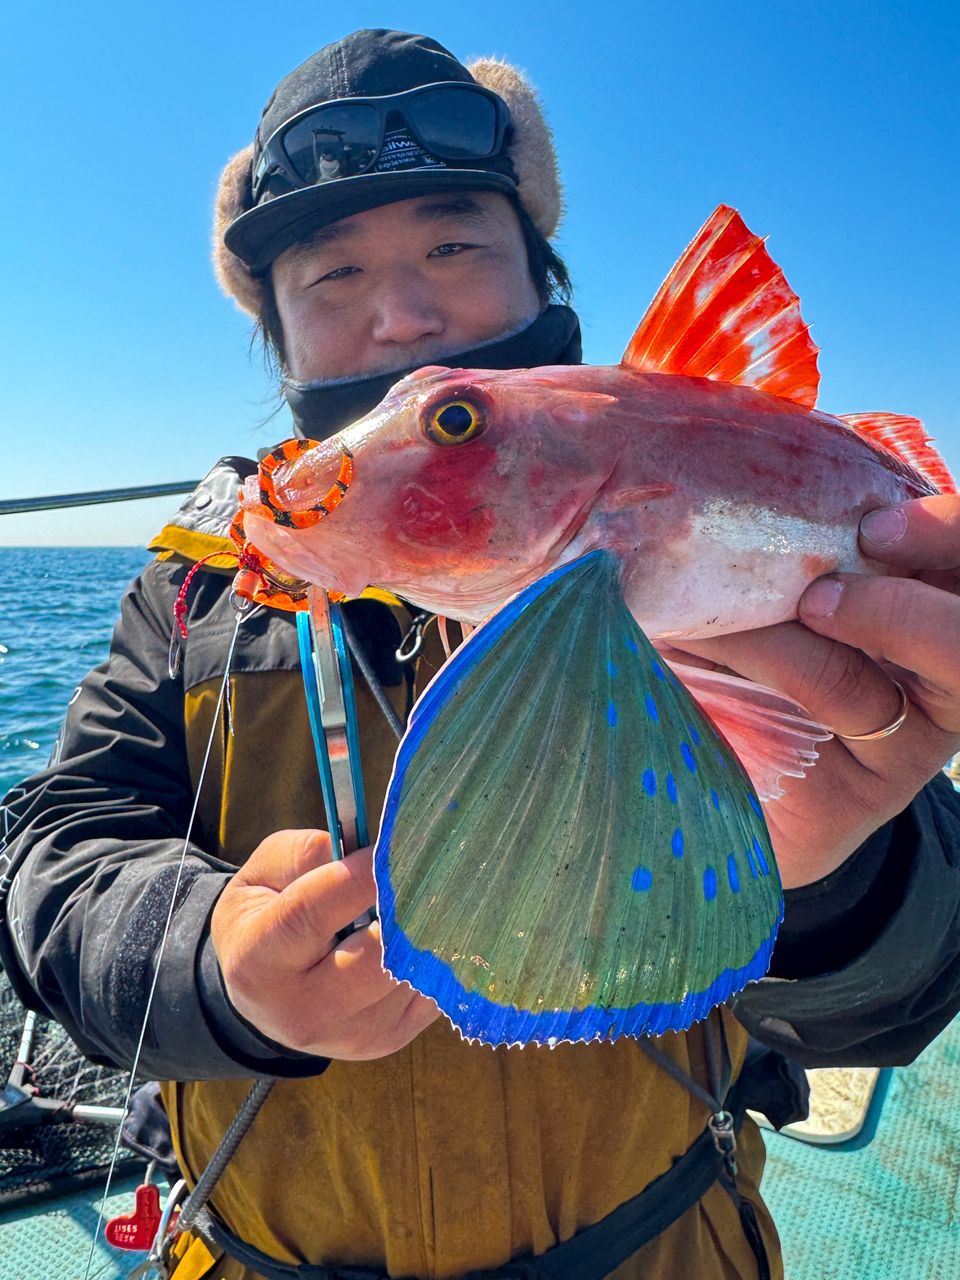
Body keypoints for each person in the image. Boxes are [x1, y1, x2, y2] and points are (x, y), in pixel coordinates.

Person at [2, 27, 959, 1280]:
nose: (399, 312)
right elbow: (53, 848)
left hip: (664, 1239)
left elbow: (897, 1003)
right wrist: (216, 969)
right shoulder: (196, 588)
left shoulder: (678, 526)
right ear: (279, 340)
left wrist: (828, 873)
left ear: (543, 279)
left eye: (453, 245)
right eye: (331, 274)